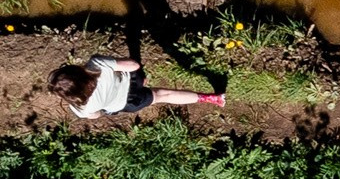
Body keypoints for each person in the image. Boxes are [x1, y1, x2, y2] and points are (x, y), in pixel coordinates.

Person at [50, 57, 223, 119]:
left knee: (164, 96)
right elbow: (133, 65)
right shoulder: (96, 65)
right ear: (75, 70)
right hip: (133, 81)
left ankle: (211, 99)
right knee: (128, 66)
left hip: (130, 103)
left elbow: (95, 116)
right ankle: (143, 81)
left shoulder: (79, 108)